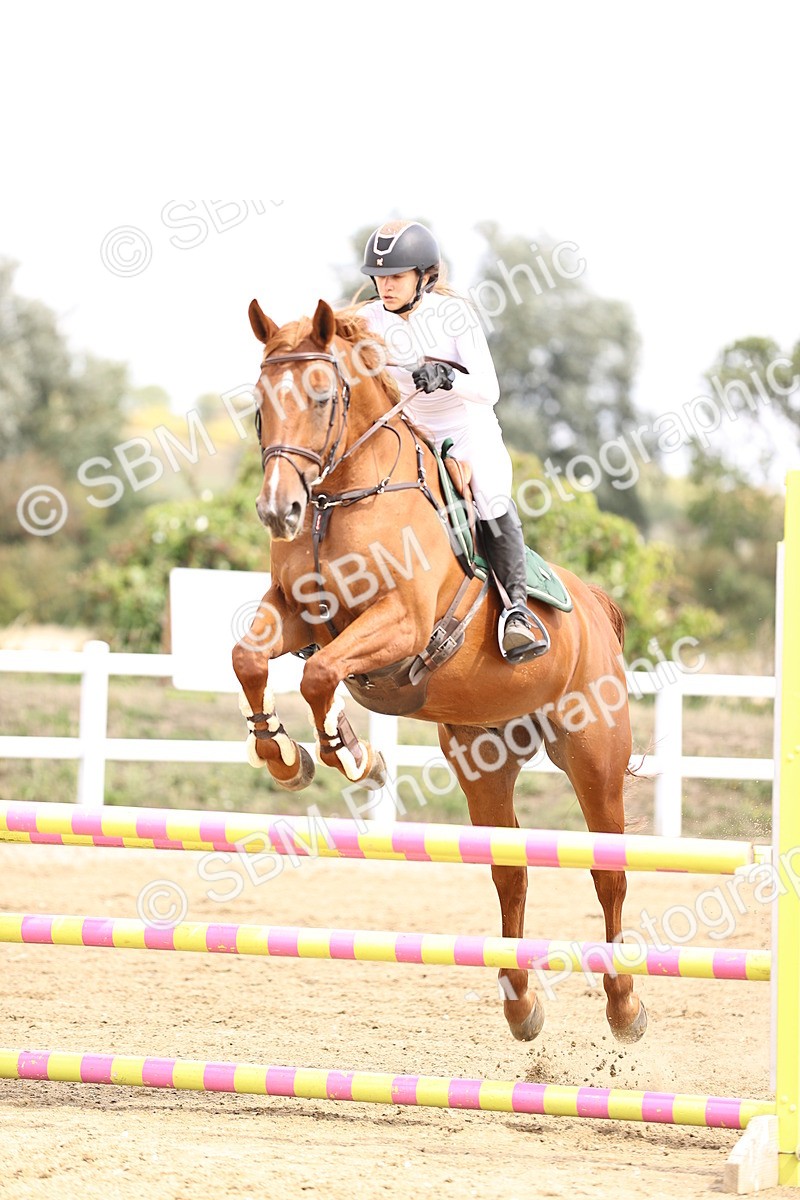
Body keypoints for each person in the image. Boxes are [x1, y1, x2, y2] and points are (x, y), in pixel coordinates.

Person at [357, 219, 548, 662]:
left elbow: (489, 390)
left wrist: (447, 376)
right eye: (380, 276)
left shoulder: (453, 315)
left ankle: (516, 613)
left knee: (489, 501)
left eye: (396, 276)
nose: (385, 285)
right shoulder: (366, 319)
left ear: (424, 276)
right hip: (407, 433)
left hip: (466, 434)